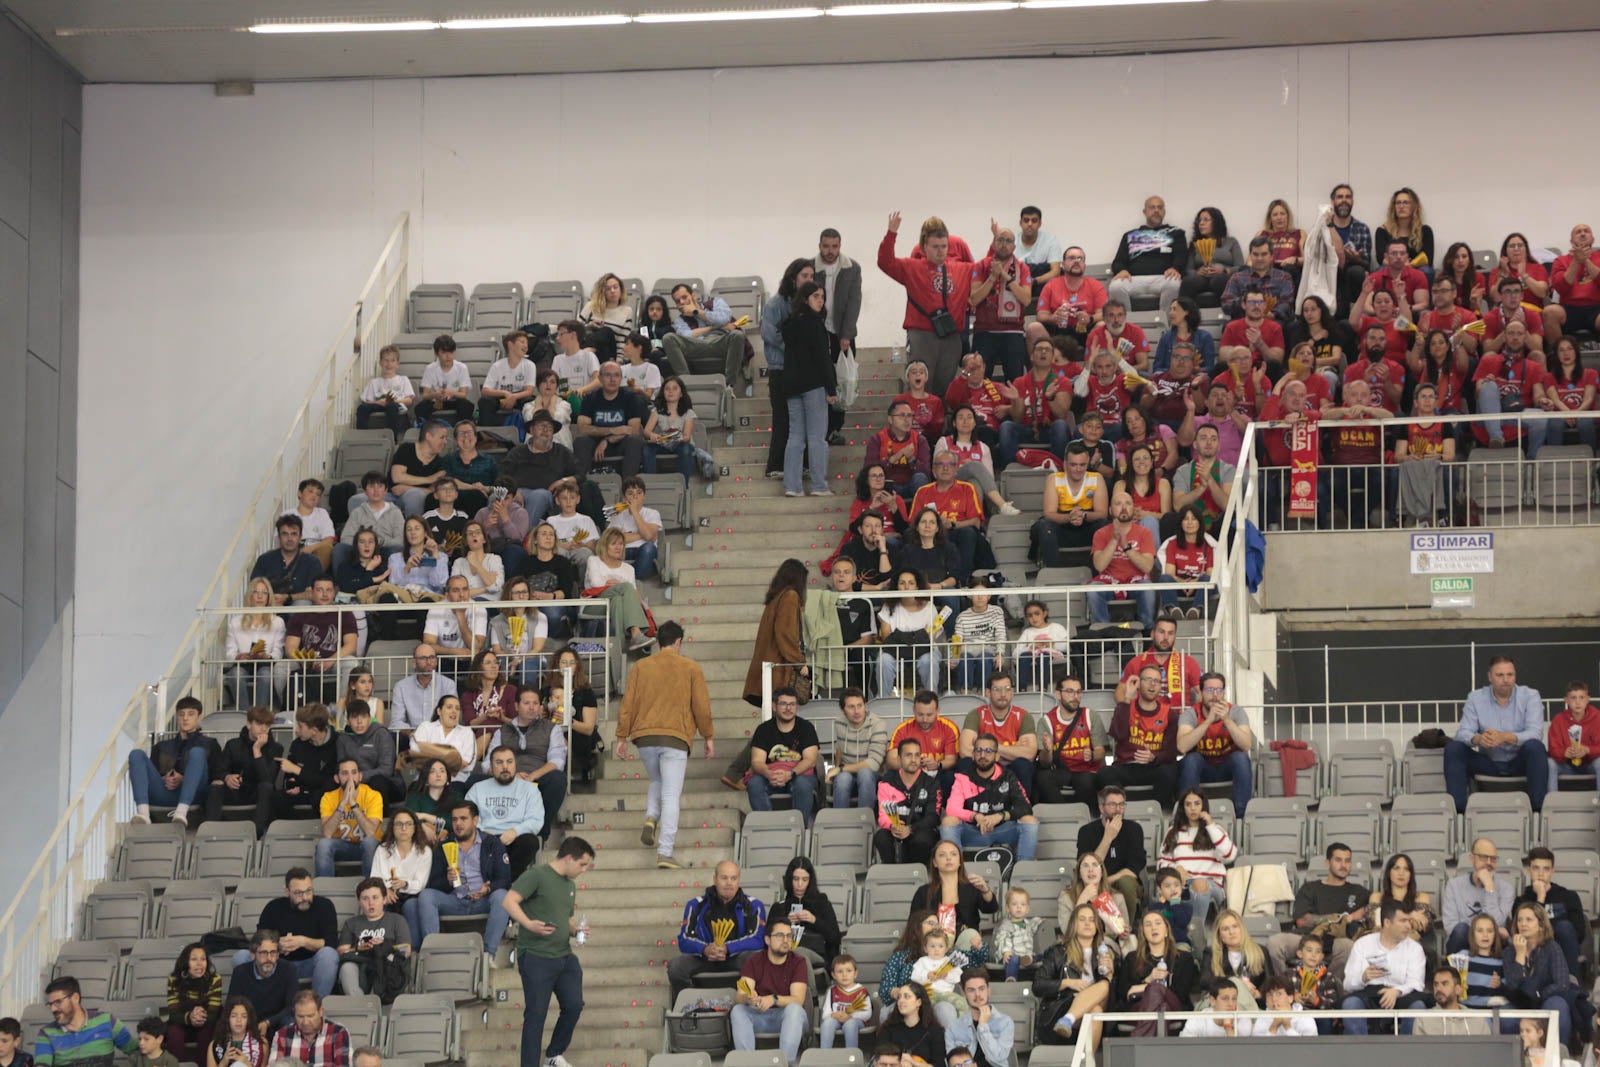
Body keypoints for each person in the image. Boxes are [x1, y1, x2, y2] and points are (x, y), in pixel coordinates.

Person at [616, 620, 713, 869]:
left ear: (658, 642)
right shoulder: (691, 668)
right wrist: (708, 736)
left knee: (657, 781)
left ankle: (651, 816)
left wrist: (621, 737)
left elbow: (628, 703)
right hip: (675, 737)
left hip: (645, 737)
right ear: (679, 642)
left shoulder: (641, 667)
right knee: (671, 794)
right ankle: (665, 851)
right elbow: (701, 707)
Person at [504, 836, 595, 1067]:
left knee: (574, 1005)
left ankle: (554, 1054)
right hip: (536, 955)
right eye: (582, 864)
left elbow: (564, 918)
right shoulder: (537, 875)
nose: (583, 870)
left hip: (563, 955)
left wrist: (576, 930)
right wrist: (528, 924)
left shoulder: (569, 885)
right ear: (568, 858)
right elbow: (509, 901)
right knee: (536, 1015)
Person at [880, 213, 980, 396]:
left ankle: (943, 424)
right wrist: (891, 234)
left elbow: (986, 268)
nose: (941, 251)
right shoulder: (913, 267)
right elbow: (885, 262)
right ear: (924, 247)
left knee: (946, 389)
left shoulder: (961, 269)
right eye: (935, 247)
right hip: (922, 335)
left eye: (944, 247)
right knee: (920, 389)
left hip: (951, 336)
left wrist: (997, 242)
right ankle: (917, 425)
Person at [1445, 656, 1549, 813]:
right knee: (1454, 748)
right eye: (1500, 675)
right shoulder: (1475, 698)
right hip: (1488, 763)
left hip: (1518, 761)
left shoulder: (1530, 696)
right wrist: (1478, 739)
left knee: (1536, 747)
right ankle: (1459, 811)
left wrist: (1505, 737)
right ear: (1490, 677)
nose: (1506, 679)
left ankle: (1538, 810)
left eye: (1510, 674)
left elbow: (1535, 733)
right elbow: (1463, 733)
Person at [413, 800, 513, 956]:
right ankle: (432, 952)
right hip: (455, 900)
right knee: (426, 896)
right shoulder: (444, 845)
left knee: (502, 896)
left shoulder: (492, 843)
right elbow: (433, 883)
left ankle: (488, 954)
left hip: (482, 900)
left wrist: (488, 888)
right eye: (454, 819)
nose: (458, 823)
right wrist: (447, 881)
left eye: (463, 819)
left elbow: (505, 878)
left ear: (475, 820)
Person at [667, 861, 768, 1001]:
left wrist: (728, 948)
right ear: (715, 879)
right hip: (704, 959)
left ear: (739, 880)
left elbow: (758, 939)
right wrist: (705, 949)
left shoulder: (754, 905)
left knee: (757, 959)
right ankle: (693, 1004)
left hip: (736, 958)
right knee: (675, 967)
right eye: (724, 878)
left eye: (733, 878)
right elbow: (684, 940)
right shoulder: (695, 905)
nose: (729, 883)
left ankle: (750, 1002)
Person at [1265, 842, 1367, 978]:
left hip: (1335, 940)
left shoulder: (1358, 891)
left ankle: (1328, 988)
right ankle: (1285, 987)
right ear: (1327, 863)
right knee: (1275, 943)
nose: (1343, 865)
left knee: (1348, 947)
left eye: (1347, 861)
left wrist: (1368, 908)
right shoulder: (1310, 888)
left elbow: (1379, 901)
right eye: (1338, 860)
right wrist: (1340, 918)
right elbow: (1302, 921)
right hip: (1305, 937)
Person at [234, 869, 340, 998]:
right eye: (298, 893)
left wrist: (303, 941)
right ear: (287, 892)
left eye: (308, 891)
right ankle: (254, 1004)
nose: (305, 897)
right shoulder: (273, 907)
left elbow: (331, 943)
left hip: (311, 963)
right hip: (278, 963)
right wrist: (277, 946)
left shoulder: (325, 906)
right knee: (241, 956)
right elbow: (258, 941)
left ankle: (317, 1006)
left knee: (329, 955)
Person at [940, 731, 1039, 861]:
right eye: (979, 750)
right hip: (974, 831)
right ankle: (957, 873)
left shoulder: (1008, 777)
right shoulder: (963, 777)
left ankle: (1023, 873)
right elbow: (951, 809)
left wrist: (1000, 816)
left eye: (988, 751)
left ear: (997, 756)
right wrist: (975, 816)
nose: (983, 755)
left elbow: (1025, 807)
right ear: (973, 755)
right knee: (948, 821)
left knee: (1029, 821)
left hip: (1003, 830)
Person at [779, 280, 837, 497]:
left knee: (795, 436)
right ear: (805, 299)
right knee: (816, 437)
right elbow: (823, 359)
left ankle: (792, 486)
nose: (820, 300)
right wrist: (831, 388)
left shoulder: (790, 324)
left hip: (792, 386)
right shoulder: (814, 324)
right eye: (816, 296)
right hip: (813, 385)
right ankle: (819, 485)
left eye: (822, 296)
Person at [127, 696, 220, 829]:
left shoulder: (210, 744)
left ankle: (181, 813)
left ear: (199, 717)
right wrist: (163, 778)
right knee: (136, 754)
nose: (185, 718)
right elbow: (152, 775)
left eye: (191, 714)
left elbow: (213, 778)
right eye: (181, 714)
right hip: (164, 792)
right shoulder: (161, 746)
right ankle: (143, 814)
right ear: (177, 717)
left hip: (195, 794)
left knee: (197, 753)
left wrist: (184, 779)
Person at [1340, 901, 1428, 1035]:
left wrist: (1396, 991)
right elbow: (1347, 984)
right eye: (1403, 921)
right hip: (1368, 995)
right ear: (1387, 922)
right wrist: (1362, 978)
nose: (1408, 926)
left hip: (1401, 996)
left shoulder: (1415, 948)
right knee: (1350, 1004)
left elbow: (1417, 983)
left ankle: (1407, 1052)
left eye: (1409, 921)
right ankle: (1359, 1052)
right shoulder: (1362, 944)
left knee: (1418, 1007)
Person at [1035, 904, 1115, 1046]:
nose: (1087, 924)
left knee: (1103, 987)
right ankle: (1069, 1020)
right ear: (1074, 924)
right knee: (1095, 1011)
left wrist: (1109, 974)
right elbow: (1038, 986)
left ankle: (1068, 1020)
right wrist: (1067, 983)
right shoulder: (1058, 952)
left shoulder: (1105, 953)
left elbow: (1115, 995)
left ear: (1097, 925)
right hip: (1062, 1008)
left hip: (1097, 1011)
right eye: (1082, 919)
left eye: (1091, 920)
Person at [1175, 674, 1254, 817]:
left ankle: (1242, 815)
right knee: (1191, 759)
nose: (1215, 695)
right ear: (1201, 692)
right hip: (1202, 768)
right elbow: (1182, 747)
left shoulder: (1236, 712)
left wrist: (1227, 720)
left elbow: (1246, 745)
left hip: (1227, 766)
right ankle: (1187, 814)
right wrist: (1208, 721)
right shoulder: (1191, 713)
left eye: (1219, 690)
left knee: (1241, 757)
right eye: (1210, 690)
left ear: (1224, 693)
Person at [1505, 887, 1578, 1040]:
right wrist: (1520, 954)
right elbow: (1511, 985)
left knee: (1558, 1005)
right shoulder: (1511, 951)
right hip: (1520, 1002)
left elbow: (1562, 984)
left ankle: (1558, 1053)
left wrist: (1538, 995)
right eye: (1520, 920)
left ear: (1541, 925)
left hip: (1546, 999)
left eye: (1529, 920)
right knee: (1505, 1016)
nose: (1523, 924)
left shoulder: (1552, 947)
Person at [1103, 665, 1181, 807]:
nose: (1152, 685)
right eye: (1148, 680)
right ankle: (1118, 811)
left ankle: (1158, 812)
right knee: (1105, 773)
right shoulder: (1125, 707)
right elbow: (1118, 734)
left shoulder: (1169, 714)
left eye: (1157, 681)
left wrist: (1154, 757)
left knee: (1170, 771)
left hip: (1153, 767)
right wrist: (1126, 699)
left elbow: (1171, 752)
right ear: (1138, 683)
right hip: (1127, 765)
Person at [255, 703, 339, 835]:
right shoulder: (297, 745)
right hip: (301, 790)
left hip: (324, 793)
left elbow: (330, 781)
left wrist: (297, 771)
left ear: (314, 730)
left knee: (321, 795)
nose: (296, 730)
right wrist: (292, 785)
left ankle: (322, 832)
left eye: (300, 726)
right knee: (278, 797)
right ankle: (291, 832)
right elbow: (289, 777)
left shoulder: (338, 744)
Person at [909, 841, 999, 962]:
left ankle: (953, 970)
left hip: (965, 946)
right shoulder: (923, 892)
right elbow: (914, 923)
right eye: (942, 855)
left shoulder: (971, 888)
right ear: (935, 863)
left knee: (971, 935)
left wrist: (985, 890)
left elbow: (991, 908)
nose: (948, 858)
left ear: (960, 861)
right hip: (934, 946)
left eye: (953, 854)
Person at [497, 686, 566, 840]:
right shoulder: (502, 731)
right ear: (516, 706)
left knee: (558, 779)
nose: (532, 707)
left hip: (538, 776)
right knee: (474, 781)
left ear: (541, 707)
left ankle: (540, 828)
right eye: (527, 703)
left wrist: (534, 775)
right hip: (508, 778)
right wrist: (512, 776)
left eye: (535, 704)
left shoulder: (551, 729)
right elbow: (489, 764)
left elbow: (557, 760)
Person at [466, 746, 546, 876]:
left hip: (515, 839)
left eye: (509, 762)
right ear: (491, 767)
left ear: (515, 764)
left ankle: (504, 883)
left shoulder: (530, 790)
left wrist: (515, 831)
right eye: (499, 762)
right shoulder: (477, 789)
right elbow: (468, 817)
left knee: (530, 842)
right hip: (485, 839)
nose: (505, 767)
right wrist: (481, 832)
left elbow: (536, 820)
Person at [746, 688, 821, 825]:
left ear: (796, 707)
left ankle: (798, 830)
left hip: (799, 775)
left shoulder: (806, 727)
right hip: (771, 776)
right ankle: (766, 827)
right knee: (754, 783)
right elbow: (757, 761)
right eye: (783, 704)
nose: (788, 708)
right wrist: (769, 774)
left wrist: (790, 774)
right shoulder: (764, 729)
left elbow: (810, 760)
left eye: (792, 704)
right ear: (775, 707)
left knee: (803, 785)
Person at [969, 227, 1034, 381]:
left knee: (1015, 381)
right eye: (1000, 240)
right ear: (994, 243)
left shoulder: (1022, 268)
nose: (1004, 244)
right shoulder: (981, 266)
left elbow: (1026, 299)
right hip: (985, 331)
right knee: (979, 380)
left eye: (1008, 241)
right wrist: (992, 277)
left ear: (1014, 246)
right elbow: (974, 299)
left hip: (1013, 332)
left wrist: (1004, 275)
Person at [1086, 491, 1157, 631]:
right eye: (1118, 504)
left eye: (1128, 503)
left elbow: (1147, 567)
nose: (1124, 507)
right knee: (1093, 589)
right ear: (1111, 510)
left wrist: (1126, 547)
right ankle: (1103, 633)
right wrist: (1113, 540)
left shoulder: (1145, 533)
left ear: (1133, 509)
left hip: (1136, 581)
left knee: (1148, 587)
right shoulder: (1101, 533)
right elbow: (1099, 565)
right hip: (1110, 581)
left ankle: (1147, 633)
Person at [1034, 675, 1106, 814]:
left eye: (1079, 692)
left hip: (1086, 770)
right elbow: (1044, 763)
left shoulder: (1090, 716)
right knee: (1042, 777)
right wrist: (1047, 751)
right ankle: (1063, 814)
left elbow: (1101, 752)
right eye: (1070, 692)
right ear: (1058, 694)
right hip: (1061, 770)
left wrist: (1091, 755)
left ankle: (1080, 816)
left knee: (1087, 782)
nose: (1075, 696)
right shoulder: (1047, 721)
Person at [957, 672, 1039, 792]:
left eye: (1007, 689)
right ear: (988, 692)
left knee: (1023, 765)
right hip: (984, 766)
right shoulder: (976, 715)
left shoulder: (1023, 716)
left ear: (1012, 692)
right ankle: (970, 806)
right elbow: (965, 751)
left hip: (1010, 767)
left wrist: (987, 749)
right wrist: (1012, 750)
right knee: (965, 763)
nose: (1003, 694)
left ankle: (1021, 808)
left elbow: (1029, 753)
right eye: (997, 689)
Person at [743, 558, 806, 705]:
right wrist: (799, 662)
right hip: (778, 670)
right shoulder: (790, 596)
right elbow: (786, 634)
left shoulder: (776, 596)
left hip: (767, 668)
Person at [1114, 911, 1197, 1022]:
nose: (1153, 928)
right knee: (1158, 1007)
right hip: (1139, 1010)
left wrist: (1145, 988)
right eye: (1148, 925)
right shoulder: (1132, 959)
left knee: (1162, 1006)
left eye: (1158, 923)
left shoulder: (1183, 959)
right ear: (1143, 932)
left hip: (1173, 1011)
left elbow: (1180, 994)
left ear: (1167, 930)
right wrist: (1149, 979)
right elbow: (1124, 993)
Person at [1075, 786, 1146, 918]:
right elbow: (1087, 866)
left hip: (1122, 881)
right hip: (1092, 880)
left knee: (1126, 882)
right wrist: (1108, 838)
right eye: (1112, 805)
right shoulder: (1086, 831)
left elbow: (1133, 869)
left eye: (1121, 805)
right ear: (1101, 808)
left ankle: (1125, 930)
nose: (1118, 809)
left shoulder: (1134, 829)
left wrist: (1105, 882)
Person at [334, 878, 412, 996]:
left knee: (381, 964)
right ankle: (361, 1005)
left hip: (386, 967)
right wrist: (359, 948)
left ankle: (372, 1005)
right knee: (347, 967)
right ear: (359, 902)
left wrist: (384, 946)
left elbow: (406, 950)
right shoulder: (351, 923)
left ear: (384, 899)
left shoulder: (397, 920)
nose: (370, 903)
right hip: (360, 968)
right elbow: (341, 951)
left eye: (375, 898)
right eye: (365, 898)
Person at [1109, 196, 1186, 315]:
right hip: (1133, 280)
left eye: (1159, 207)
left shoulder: (1176, 233)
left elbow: (1182, 256)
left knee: (1174, 284)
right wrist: (1121, 270)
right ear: (1145, 212)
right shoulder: (1130, 235)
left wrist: (1175, 268)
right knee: (1115, 287)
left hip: (1163, 279)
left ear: (1164, 211)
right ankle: (1127, 325)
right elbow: (1118, 261)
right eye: (1152, 207)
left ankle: (1167, 325)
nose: (1156, 210)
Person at [1033, 442, 1108, 566]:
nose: (1078, 469)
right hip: (1062, 526)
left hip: (1087, 525)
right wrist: (1069, 517)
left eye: (1082, 465)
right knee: (1045, 526)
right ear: (1065, 464)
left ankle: (1098, 573)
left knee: (1104, 525)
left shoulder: (1096, 478)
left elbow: (1102, 513)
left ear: (1088, 462)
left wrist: (1083, 515)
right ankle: (1053, 573)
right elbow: (1049, 514)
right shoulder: (1054, 479)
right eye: (1073, 465)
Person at [34, 978, 137, 1067]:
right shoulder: (46, 1033)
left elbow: (137, 1051)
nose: (53, 1009)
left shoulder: (107, 1021)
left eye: (58, 1002)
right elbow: (41, 1064)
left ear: (75, 998)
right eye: (50, 1004)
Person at [874, 737, 943, 866]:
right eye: (908, 755)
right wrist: (892, 826)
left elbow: (933, 817)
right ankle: (891, 874)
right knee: (881, 837)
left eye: (917, 755)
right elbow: (882, 816)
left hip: (920, 830)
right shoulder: (886, 783)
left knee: (923, 839)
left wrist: (911, 829)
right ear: (899, 759)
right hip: (895, 830)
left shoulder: (931, 784)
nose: (913, 760)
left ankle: (918, 875)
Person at [573, 361, 646, 478]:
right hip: (595, 444)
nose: (612, 379)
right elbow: (582, 428)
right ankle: (582, 484)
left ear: (621, 378)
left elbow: (634, 430)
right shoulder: (590, 398)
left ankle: (628, 486)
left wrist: (607, 440)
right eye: (608, 375)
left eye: (616, 375)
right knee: (581, 441)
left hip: (620, 443)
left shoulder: (631, 398)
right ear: (600, 378)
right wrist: (613, 430)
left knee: (635, 441)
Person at [876, 569, 941, 698]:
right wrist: (917, 636)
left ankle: (932, 698)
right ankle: (883, 699)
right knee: (883, 660)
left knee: (929, 660)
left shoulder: (929, 607)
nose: (906, 587)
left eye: (911, 583)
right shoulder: (888, 607)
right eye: (902, 583)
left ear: (917, 586)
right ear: (896, 586)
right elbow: (886, 636)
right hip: (895, 652)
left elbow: (930, 637)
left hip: (924, 651)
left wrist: (902, 637)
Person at [1443, 837, 1514, 953]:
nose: (1489, 863)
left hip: (1492, 947)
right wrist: (1481, 934)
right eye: (1484, 857)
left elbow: (1496, 924)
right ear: (1472, 858)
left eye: (1493, 859)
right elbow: (1451, 927)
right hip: (1462, 945)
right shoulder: (1454, 885)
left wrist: (1490, 888)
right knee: (1461, 929)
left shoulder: (1506, 889)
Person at [313, 759, 383, 877]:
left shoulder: (373, 795)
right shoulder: (328, 798)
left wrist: (353, 804)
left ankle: (372, 887)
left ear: (360, 776)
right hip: (342, 847)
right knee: (323, 844)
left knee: (369, 842)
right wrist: (342, 803)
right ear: (337, 778)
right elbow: (327, 834)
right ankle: (325, 889)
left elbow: (371, 832)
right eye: (345, 773)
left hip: (367, 848)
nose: (350, 778)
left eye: (354, 772)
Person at [665, 285, 746, 384]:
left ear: (693, 296)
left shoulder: (716, 302)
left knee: (737, 335)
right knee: (668, 338)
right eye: (677, 301)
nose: (682, 302)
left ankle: (729, 385)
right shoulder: (680, 320)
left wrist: (697, 312)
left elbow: (723, 319)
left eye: (684, 297)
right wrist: (716, 327)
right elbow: (686, 335)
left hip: (719, 342)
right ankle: (686, 383)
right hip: (695, 345)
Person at [370, 809, 431, 937]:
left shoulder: (424, 851)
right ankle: (381, 948)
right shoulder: (382, 849)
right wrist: (385, 890)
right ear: (392, 828)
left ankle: (413, 949)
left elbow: (420, 884)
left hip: (412, 895)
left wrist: (404, 883)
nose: (404, 828)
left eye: (408, 824)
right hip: (388, 893)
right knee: (379, 902)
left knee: (411, 906)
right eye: (399, 824)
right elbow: (375, 878)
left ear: (415, 828)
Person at [773, 856, 842, 967]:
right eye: (795, 879)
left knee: (799, 954)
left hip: (816, 954)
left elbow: (835, 938)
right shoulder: (780, 907)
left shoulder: (822, 903)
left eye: (804, 880)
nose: (800, 884)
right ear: (789, 880)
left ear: (810, 881)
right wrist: (785, 923)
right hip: (785, 953)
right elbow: (768, 940)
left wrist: (814, 920)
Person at [227, 932, 299, 1035]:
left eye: (273, 952)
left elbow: (291, 1007)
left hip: (277, 1022)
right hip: (249, 1024)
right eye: (264, 953)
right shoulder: (240, 972)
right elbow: (232, 1005)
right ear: (252, 955)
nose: (269, 958)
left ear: (278, 954)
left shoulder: (289, 970)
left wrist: (268, 1022)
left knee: (290, 1021)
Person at [1038, 246, 1108, 349]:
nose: (1076, 261)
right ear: (1063, 264)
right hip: (1058, 330)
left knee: (1102, 325)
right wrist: (1053, 318)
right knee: (1033, 327)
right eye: (1071, 258)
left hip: (1085, 330)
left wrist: (1090, 318)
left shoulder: (1096, 285)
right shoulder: (1051, 285)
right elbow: (1041, 315)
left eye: (1080, 259)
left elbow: (1104, 314)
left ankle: (1095, 363)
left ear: (1084, 265)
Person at [829, 687, 887, 811]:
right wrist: (836, 767)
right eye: (851, 707)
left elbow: (873, 764)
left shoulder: (878, 724)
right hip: (847, 770)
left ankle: (864, 821)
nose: (857, 711)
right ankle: (839, 822)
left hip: (871, 774)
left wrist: (840, 769)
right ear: (842, 710)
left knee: (865, 774)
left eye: (860, 706)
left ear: (865, 705)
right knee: (843, 779)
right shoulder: (839, 723)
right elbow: (839, 749)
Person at [162, 945, 220, 1065]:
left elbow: (214, 1014)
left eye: (203, 959)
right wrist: (190, 1017)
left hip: (206, 1020)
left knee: (207, 1032)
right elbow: (173, 1014)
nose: (200, 964)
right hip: (182, 1020)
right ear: (185, 962)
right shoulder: (174, 979)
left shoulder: (215, 979)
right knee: (174, 1032)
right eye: (194, 959)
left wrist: (199, 1015)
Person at [943, 970, 1013, 1067]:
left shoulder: (1005, 1022)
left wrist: (983, 1026)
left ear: (989, 990)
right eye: (971, 990)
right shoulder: (953, 1028)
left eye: (981, 989)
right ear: (963, 993)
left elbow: (998, 1058)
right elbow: (952, 1063)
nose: (978, 995)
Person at [252, 515, 325, 608]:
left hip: (298, 611)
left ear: (300, 537)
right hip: (269, 607)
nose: (290, 539)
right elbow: (253, 590)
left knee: (303, 604)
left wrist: (288, 597)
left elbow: (314, 594)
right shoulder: (265, 560)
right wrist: (271, 600)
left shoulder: (312, 562)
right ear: (279, 537)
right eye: (285, 534)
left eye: (294, 534)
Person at [403, 694, 476, 784]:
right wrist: (452, 757)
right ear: (439, 711)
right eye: (449, 707)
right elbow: (417, 755)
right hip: (426, 780)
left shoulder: (466, 732)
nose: (454, 711)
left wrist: (430, 752)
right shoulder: (426, 727)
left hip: (455, 781)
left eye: (457, 708)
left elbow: (465, 763)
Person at [1221, 238, 1295, 323]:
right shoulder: (1237, 278)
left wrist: (1273, 314)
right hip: (1244, 321)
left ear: (1271, 256)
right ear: (1250, 256)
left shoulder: (1284, 277)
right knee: (1228, 327)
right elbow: (1226, 303)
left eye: (1264, 254)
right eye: (1255, 254)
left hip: (1273, 321)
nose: (1259, 258)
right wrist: (1245, 303)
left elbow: (1287, 303)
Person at [424, 575, 489, 672]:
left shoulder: (479, 609)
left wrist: (461, 616)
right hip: (444, 658)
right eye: (456, 590)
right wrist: (452, 652)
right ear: (447, 595)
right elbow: (428, 644)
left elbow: (476, 646)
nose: (462, 594)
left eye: (465, 589)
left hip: (470, 659)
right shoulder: (435, 609)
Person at [816, 227, 863, 361]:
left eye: (834, 246)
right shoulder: (810, 267)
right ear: (819, 246)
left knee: (845, 377)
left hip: (843, 330)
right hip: (818, 329)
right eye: (826, 246)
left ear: (840, 246)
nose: (830, 251)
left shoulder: (852, 268)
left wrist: (847, 334)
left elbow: (854, 302)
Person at [387, 420, 450, 519]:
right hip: (390, 495)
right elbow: (397, 477)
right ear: (428, 436)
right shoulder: (406, 449)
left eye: (446, 438)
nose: (445, 442)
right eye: (442, 438)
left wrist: (408, 489)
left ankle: (413, 531)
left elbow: (435, 491)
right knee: (358, 499)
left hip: (418, 498)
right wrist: (429, 479)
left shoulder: (441, 462)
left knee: (415, 495)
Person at [1327, 184, 1374, 312]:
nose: (1344, 200)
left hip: (1353, 271)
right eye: (1340, 197)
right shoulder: (1324, 228)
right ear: (1333, 202)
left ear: (1352, 201)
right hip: (1330, 269)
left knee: (1356, 271)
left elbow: (1366, 262)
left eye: (1348, 197)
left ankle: (1354, 311)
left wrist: (1355, 258)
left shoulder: (1362, 228)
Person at [267, 993, 349, 1067]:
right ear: (294, 1013)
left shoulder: (338, 1032)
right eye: (300, 1016)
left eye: (310, 1016)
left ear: (321, 1012)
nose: (305, 1022)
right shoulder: (282, 1035)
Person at [1550, 222, 1600, 342]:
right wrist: (1576, 261)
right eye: (1578, 232)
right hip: (1568, 309)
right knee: (1549, 312)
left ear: (1592, 239)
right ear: (1572, 241)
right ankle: (1556, 356)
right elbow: (1561, 288)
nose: (1582, 234)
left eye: (1586, 231)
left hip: (1596, 308)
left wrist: (1586, 260)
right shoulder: (1560, 261)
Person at [477, 331, 539, 427]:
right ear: (510, 345)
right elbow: (485, 391)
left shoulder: (529, 365)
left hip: (520, 396)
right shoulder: (497, 366)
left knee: (530, 402)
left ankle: (527, 433)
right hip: (501, 396)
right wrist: (505, 394)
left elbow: (529, 391)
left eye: (526, 343)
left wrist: (513, 397)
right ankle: (488, 435)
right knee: (485, 401)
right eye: (522, 342)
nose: (526, 346)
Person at [1548, 681, 1600, 793]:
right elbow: (1553, 749)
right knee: (1550, 763)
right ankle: (1552, 804)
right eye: (1573, 698)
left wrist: (1587, 750)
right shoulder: (1558, 720)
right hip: (1567, 765)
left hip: (1590, 764)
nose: (1578, 702)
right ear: (1566, 700)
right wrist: (1564, 752)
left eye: (1582, 697)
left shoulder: (1597, 717)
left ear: (1588, 699)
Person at [878, 986, 946, 1066]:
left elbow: (940, 1064)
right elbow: (880, 1060)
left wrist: (913, 1063)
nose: (901, 1001)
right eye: (899, 997)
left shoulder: (934, 1031)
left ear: (919, 1002)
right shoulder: (887, 1028)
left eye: (907, 997)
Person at [415, 334, 474, 425]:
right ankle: (425, 430)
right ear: (436, 354)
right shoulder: (430, 368)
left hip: (454, 401)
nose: (448, 356)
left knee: (466, 405)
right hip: (436, 401)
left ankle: (461, 429)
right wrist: (435, 395)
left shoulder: (461, 368)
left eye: (451, 352)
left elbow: (463, 394)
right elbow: (425, 395)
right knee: (421, 407)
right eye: (444, 352)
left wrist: (451, 393)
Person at [818, 954, 871, 1050]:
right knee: (827, 1023)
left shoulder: (861, 991)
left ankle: (851, 1057)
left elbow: (867, 1014)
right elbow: (825, 1015)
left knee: (850, 1024)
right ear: (833, 975)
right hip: (837, 1020)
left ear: (855, 973)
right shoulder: (832, 991)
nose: (844, 975)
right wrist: (834, 1015)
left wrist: (851, 1016)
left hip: (856, 1021)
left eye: (849, 971)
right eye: (840, 971)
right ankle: (824, 1055)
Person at [991, 889, 1043, 983]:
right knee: (1013, 959)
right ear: (1007, 908)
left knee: (1043, 956)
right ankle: (1011, 978)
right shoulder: (1007, 925)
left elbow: (1033, 924)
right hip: (1009, 956)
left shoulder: (1027, 924)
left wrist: (1039, 921)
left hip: (1025, 955)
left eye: (1023, 905)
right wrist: (1006, 952)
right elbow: (1003, 939)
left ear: (1027, 909)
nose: (1019, 907)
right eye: (1014, 904)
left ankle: (1029, 960)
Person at [404, 760, 462, 845]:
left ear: (447, 777)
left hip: (451, 842)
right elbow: (409, 819)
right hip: (420, 841)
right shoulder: (415, 797)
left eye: (442, 771)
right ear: (426, 777)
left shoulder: (456, 797)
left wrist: (426, 816)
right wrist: (423, 827)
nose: (438, 775)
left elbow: (456, 824)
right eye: (433, 771)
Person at [204, 998, 266, 1067]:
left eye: (244, 1016)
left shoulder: (262, 1043)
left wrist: (247, 1064)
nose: (238, 1020)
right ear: (227, 1019)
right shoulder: (214, 1045)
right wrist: (224, 1062)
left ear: (249, 1020)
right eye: (234, 1016)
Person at [580, 273, 635, 349]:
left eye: (615, 287)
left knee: (606, 331)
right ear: (602, 292)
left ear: (621, 290)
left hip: (608, 352)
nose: (612, 291)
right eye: (608, 289)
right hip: (587, 346)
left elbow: (622, 341)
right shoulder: (591, 306)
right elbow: (575, 331)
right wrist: (589, 325)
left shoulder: (627, 311)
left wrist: (619, 361)